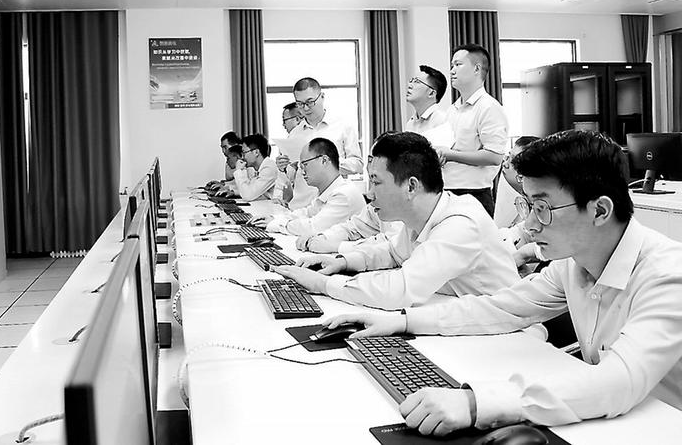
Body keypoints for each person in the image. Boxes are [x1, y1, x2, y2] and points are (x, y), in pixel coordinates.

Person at [325, 130, 682, 435]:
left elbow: (619, 381)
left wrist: (475, 403)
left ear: (600, 211)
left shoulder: (668, 276)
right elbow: (499, 308)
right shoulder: (572, 266)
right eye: (528, 207)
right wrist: (401, 320)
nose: (530, 226)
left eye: (542, 209)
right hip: (614, 423)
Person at [273, 132, 519, 310]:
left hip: (505, 337)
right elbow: (393, 253)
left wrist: (323, 284)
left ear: (411, 186)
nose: (370, 193)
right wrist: (342, 262)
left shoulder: (460, 223)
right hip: (461, 317)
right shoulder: (420, 218)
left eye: (376, 182)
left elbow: (399, 290)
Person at [435, 44, 508, 217]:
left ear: (476, 68)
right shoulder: (452, 109)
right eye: (451, 65)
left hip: (474, 194)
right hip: (446, 191)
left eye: (458, 64)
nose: (452, 71)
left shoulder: (489, 107)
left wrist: (451, 155)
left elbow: (494, 156)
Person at [251, 137, 365, 236]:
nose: (302, 171)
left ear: (324, 160)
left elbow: (313, 227)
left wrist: (275, 224)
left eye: (305, 164)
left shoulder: (343, 195)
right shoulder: (328, 190)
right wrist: (275, 218)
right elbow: (307, 213)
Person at [278, 77, 363, 209]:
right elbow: (291, 176)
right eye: (300, 104)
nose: (306, 108)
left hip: (332, 203)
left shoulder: (343, 126)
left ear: (322, 97)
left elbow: (357, 165)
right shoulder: (295, 133)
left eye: (310, 102)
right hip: (301, 206)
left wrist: (329, 163)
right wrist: (284, 168)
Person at [404, 65, 452, 147]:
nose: (410, 85)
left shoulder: (443, 120)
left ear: (431, 93)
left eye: (417, 81)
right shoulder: (410, 123)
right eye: (411, 81)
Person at [231, 134, 277, 201]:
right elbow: (250, 188)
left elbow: (248, 196)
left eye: (244, 152)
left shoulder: (269, 168)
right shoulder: (258, 168)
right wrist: (234, 192)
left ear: (256, 152)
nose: (242, 157)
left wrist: (239, 171)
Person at [273, 102, 303, 204]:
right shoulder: (287, 144)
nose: (283, 125)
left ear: (297, 119)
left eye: (284, 120)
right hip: (292, 200)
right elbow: (285, 177)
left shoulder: (311, 141)